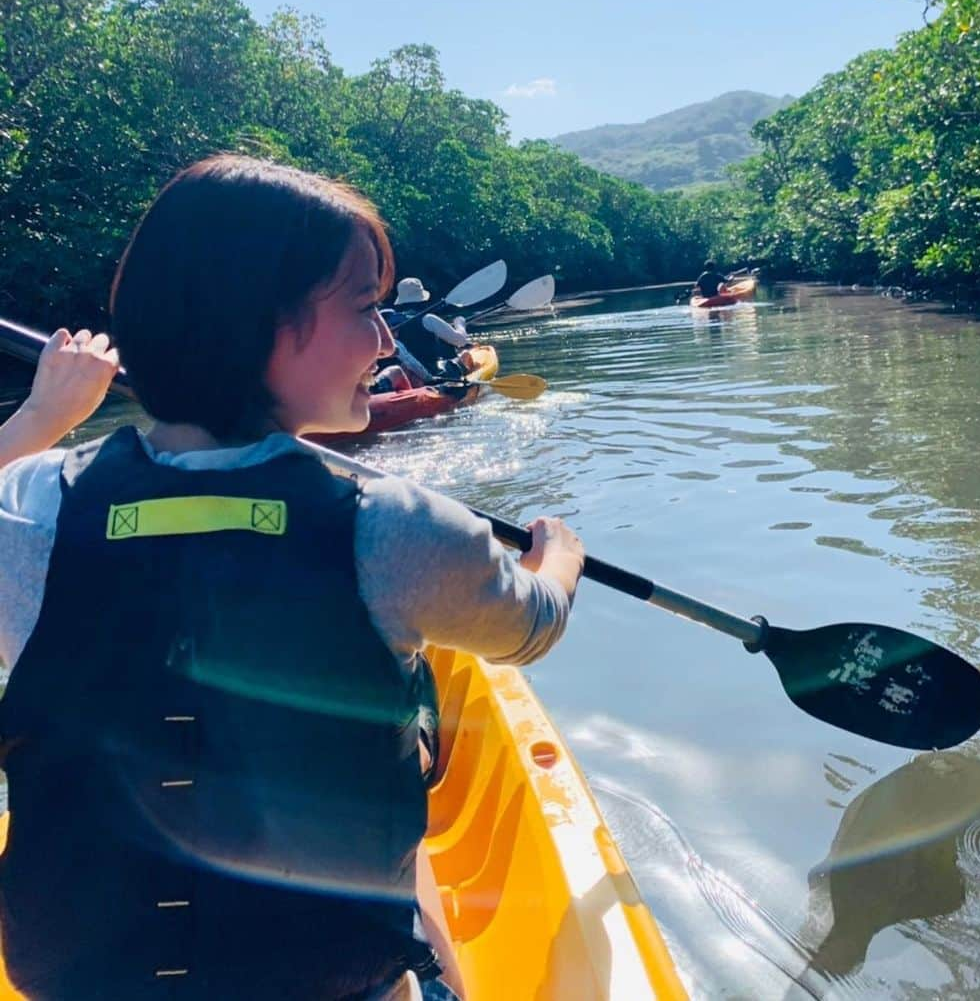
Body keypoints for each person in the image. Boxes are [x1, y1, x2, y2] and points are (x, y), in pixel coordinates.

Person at [0, 155, 585, 1000]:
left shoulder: (29, 511)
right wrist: (556, 561)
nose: (386, 342)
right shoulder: (396, 523)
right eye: (364, 308)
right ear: (268, 325)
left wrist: (39, 419)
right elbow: (533, 626)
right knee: (399, 735)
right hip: (329, 984)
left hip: (80, 979)